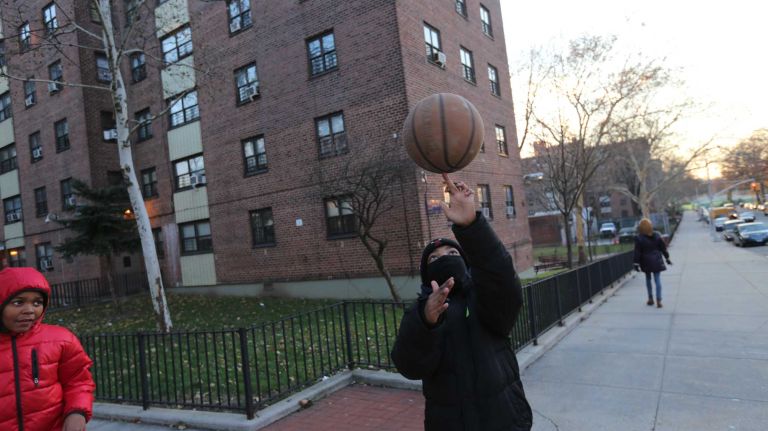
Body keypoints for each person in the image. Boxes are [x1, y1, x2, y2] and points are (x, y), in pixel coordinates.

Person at [391, 173, 533, 431]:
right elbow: (408, 365)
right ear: (426, 276)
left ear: (465, 262)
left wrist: (472, 227)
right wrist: (427, 323)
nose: (444, 258)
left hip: (505, 419)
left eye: (453, 253)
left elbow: (503, 284)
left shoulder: (482, 297)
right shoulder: (420, 314)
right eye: (434, 258)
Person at [0, 267, 95, 431]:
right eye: (18, 302)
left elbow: (78, 381)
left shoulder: (62, 340)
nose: (30, 310)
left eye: (37, 302)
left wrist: (77, 412)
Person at [633, 218, 672, 308]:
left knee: (648, 279)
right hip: (657, 260)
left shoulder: (639, 238)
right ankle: (659, 300)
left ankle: (650, 298)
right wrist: (667, 258)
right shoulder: (657, 236)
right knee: (657, 279)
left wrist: (636, 263)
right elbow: (663, 248)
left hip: (645, 261)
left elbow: (637, 252)